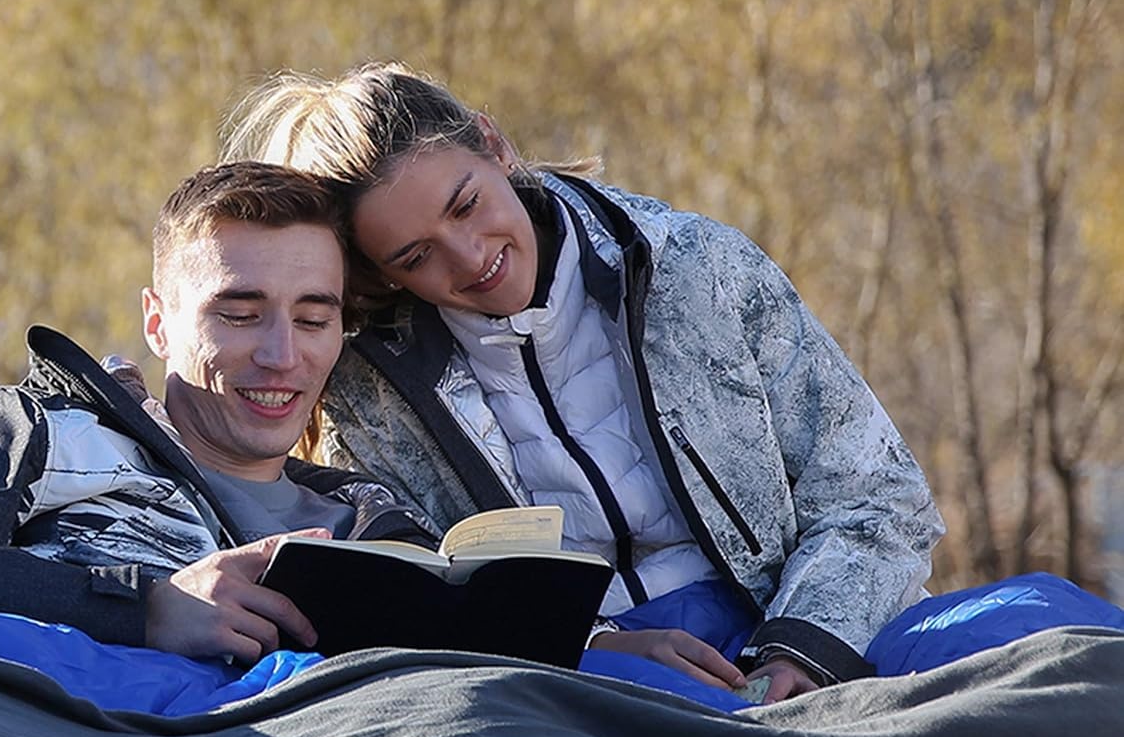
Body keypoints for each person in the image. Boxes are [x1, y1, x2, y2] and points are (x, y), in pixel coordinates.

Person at [219, 63, 947, 703]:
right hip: (576, 674)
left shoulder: (698, 268)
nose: (470, 258)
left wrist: (802, 647)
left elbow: (874, 491)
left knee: (1032, 628)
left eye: (467, 203)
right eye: (415, 256)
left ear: (493, 143)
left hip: (800, 619)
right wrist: (591, 645)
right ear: (380, 275)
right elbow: (422, 594)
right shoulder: (370, 390)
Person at [0, 161, 435, 664]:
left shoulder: (371, 524)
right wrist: (144, 608)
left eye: (314, 318)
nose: (282, 354)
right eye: (239, 315)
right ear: (158, 322)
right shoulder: (40, 436)